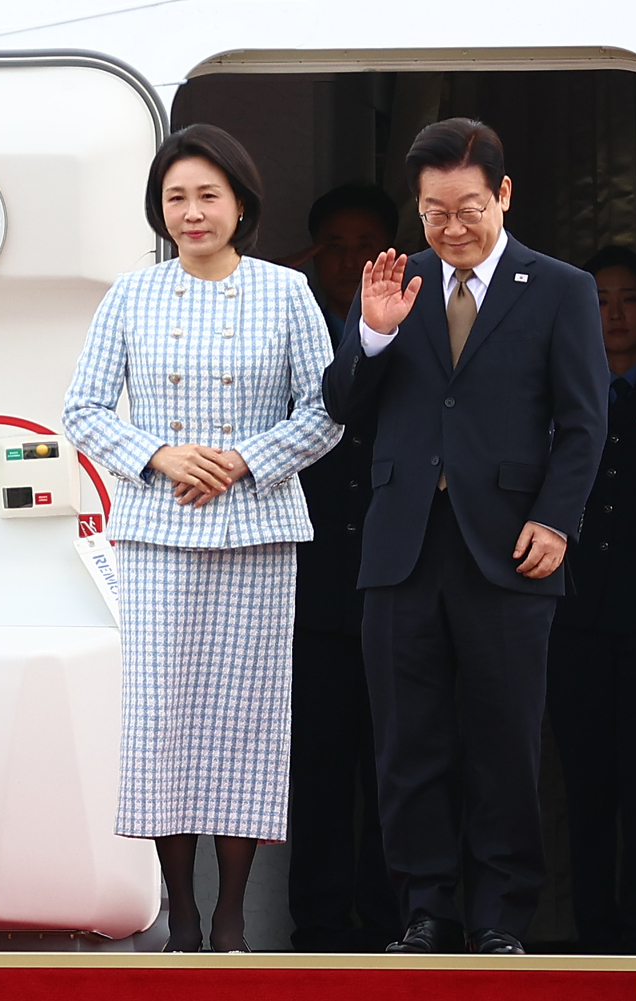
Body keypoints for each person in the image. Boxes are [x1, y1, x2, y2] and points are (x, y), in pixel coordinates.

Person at [322, 117, 607, 955]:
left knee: (504, 738)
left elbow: (583, 424)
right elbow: (343, 407)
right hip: (403, 544)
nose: (451, 227)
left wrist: (557, 518)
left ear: (504, 195)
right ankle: (425, 908)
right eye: (435, 211)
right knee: (408, 739)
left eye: (469, 208)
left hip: (512, 542)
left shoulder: (558, 287)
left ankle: (499, 915)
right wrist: (371, 332)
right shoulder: (392, 281)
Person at [62, 123, 341, 953]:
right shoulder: (130, 295)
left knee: (248, 722)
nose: (192, 213)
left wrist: (245, 460)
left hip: (257, 535)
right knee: (163, 721)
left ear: (242, 203)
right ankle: (180, 913)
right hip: (159, 535)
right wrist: (159, 453)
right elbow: (81, 407)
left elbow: (324, 410)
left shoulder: (288, 293)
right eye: (176, 197)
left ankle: (231, 919)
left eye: (207, 196)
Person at [287, 184, 403, 953]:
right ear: (311, 255)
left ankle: (396, 924)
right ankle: (321, 928)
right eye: (335, 243)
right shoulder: (285, 327)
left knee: (399, 767)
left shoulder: (416, 322)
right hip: (310, 583)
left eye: (368, 242)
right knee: (318, 774)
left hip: (401, 583)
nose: (350, 257)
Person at [547, 245, 636, 955]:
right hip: (574, 614)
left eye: (628, 298)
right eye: (599, 300)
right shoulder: (561, 388)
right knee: (585, 782)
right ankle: (593, 933)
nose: (615, 313)